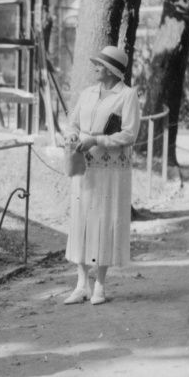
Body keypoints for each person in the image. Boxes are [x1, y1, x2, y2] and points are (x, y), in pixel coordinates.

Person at [62, 45, 141, 305]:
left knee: (105, 222)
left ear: (111, 70)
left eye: (99, 65)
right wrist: (73, 135)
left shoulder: (127, 96)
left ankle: (100, 285)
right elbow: (72, 122)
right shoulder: (87, 93)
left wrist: (97, 140)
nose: (96, 68)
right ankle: (81, 284)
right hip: (85, 168)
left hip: (111, 171)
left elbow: (129, 134)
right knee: (82, 220)